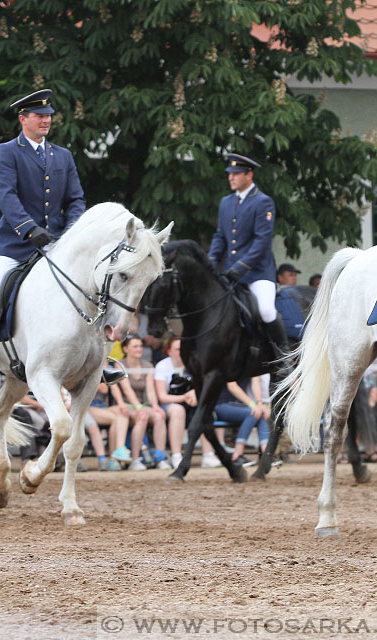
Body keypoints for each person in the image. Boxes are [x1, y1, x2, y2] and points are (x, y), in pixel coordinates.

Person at [0, 89, 120, 387]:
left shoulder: (63, 156)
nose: (46, 121)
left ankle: (100, 359)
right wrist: (30, 229)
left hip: (57, 245)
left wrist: (71, 232)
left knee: (93, 289)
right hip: (15, 244)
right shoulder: (6, 152)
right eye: (39, 116)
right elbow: (6, 196)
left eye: (48, 117)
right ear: (23, 119)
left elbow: (76, 199)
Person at [207, 153, 288, 354]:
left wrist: (241, 266)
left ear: (248, 175)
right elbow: (220, 236)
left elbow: (262, 241)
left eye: (235, 173)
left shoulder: (263, 202)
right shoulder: (226, 202)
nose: (230, 178)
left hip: (258, 272)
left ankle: (283, 355)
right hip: (230, 272)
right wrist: (211, 259)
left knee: (266, 311)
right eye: (230, 174)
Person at [108, 334, 169, 470]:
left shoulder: (147, 365)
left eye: (140, 346)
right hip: (126, 405)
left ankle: (160, 457)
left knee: (159, 416)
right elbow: (127, 389)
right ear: (125, 349)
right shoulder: (120, 364)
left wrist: (155, 406)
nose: (139, 349)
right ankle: (136, 459)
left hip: (141, 405)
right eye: (135, 346)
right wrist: (138, 407)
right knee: (142, 416)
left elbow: (151, 391)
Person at [153, 337, 203, 469]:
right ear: (169, 351)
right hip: (169, 403)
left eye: (184, 349)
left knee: (204, 409)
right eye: (177, 349)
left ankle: (209, 454)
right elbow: (162, 397)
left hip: (191, 402)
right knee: (177, 410)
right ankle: (176, 455)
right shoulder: (162, 366)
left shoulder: (193, 363)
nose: (181, 352)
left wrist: (195, 393)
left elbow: (202, 387)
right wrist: (184, 397)